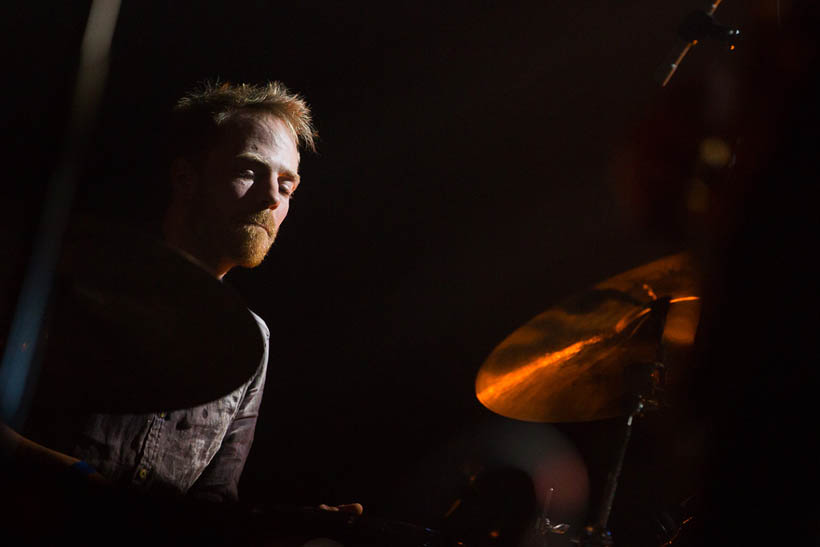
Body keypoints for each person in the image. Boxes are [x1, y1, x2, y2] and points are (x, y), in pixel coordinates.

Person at [1, 82, 361, 543]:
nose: (273, 198)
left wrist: (288, 527)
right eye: (250, 171)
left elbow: (212, 506)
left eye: (287, 184)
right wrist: (74, 479)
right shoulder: (78, 275)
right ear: (186, 178)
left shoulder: (255, 339)